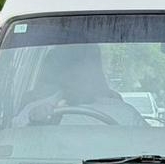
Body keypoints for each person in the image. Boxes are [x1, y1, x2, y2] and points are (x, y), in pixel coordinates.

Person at [12, 44, 145, 126]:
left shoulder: (124, 113)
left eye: (83, 64)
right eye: (69, 64)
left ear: (96, 72)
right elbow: (11, 146)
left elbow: (149, 152)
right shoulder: (33, 112)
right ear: (60, 73)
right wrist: (35, 125)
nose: (76, 73)